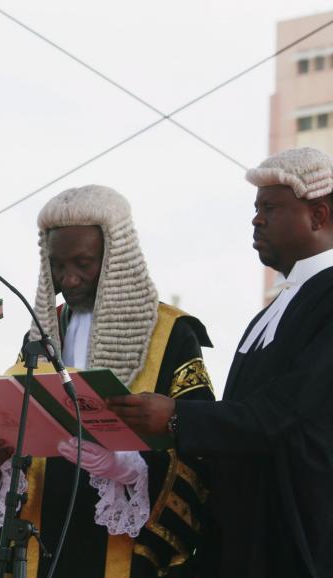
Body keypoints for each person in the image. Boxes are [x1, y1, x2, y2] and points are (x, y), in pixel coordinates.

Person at [0, 185, 215, 577]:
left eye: (83, 264)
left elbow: (201, 450)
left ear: (117, 259)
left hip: (122, 553)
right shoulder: (42, 335)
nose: (69, 279)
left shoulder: (172, 335)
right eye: (57, 265)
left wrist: (130, 469)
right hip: (40, 544)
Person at [109, 147, 333, 577]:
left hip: (298, 539)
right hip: (239, 542)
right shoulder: (268, 314)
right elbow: (242, 419)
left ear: (318, 215)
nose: (256, 220)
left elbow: (288, 414)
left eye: (270, 208)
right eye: (256, 209)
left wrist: (177, 416)